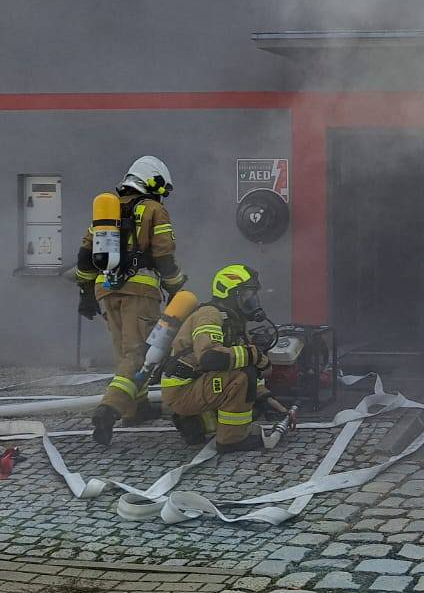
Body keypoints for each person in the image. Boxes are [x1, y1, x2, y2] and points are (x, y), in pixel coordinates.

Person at [74, 155, 186, 444]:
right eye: (163, 190)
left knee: (125, 353)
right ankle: (109, 409)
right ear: (153, 182)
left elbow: (85, 255)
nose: (164, 196)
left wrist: (86, 293)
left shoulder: (107, 212)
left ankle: (136, 409)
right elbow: (164, 256)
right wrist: (177, 289)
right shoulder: (153, 210)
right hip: (140, 289)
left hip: (105, 289)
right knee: (139, 354)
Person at [160, 263, 292, 453]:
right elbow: (210, 358)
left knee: (253, 405)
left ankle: (197, 423)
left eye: (253, 295)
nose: (252, 301)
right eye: (246, 295)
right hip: (182, 389)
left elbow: (245, 365)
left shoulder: (234, 321)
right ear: (230, 294)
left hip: (198, 383)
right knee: (242, 376)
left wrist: (266, 398)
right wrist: (253, 354)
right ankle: (231, 440)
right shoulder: (209, 315)